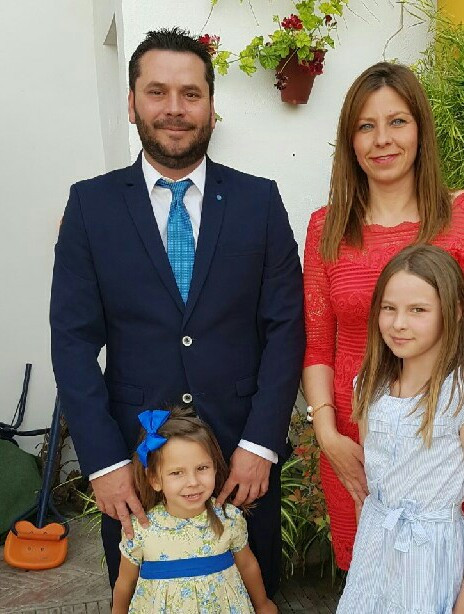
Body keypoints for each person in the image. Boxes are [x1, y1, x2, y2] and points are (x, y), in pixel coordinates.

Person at [50, 28, 305, 597]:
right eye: (157, 92)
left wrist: (261, 445)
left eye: (191, 94)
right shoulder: (91, 206)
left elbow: (286, 328)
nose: (174, 108)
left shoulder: (259, 202)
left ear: (212, 106)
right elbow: (71, 341)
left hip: (241, 464)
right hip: (137, 470)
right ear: (133, 103)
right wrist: (104, 463)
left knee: (248, 597)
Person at [302, 62, 464, 569]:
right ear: (350, 140)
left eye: (397, 121)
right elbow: (317, 345)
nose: (382, 139)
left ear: (420, 129)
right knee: (368, 580)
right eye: (366, 126)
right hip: (355, 443)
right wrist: (328, 436)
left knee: (440, 577)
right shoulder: (326, 228)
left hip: (445, 443)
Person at [336, 245, 464, 613]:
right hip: (374, 560)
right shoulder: (369, 386)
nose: (399, 323)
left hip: (433, 566)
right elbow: (373, 485)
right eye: (389, 308)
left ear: (453, 313)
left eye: (418, 310)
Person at [112, 407, 277, 614]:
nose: (192, 482)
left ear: (214, 468)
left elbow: (247, 565)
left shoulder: (228, 518)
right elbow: (125, 582)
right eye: (176, 473)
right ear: (154, 479)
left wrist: (262, 604)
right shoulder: (140, 530)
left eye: (202, 468)